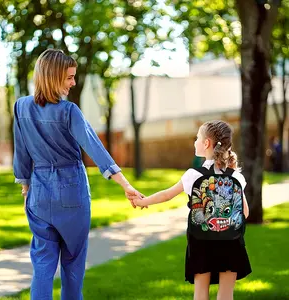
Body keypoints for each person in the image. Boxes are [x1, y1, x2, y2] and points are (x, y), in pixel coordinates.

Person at [13, 48, 142, 300]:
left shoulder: (21, 107)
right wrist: (125, 184)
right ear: (53, 77)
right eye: (69, 77)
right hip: (72, 192)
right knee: (72, 264)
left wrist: (26, 189)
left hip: (38, 194)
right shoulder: (68, 111)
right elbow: (95, 148)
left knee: (42, 265)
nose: (73, 83)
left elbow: (21, 153)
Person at [133, 120, 251, 300]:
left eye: (197, 138)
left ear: (206, 144)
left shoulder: (193, 175)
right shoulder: (236, 176)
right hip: (231, 242)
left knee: (200, 294)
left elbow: (166, 195)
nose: (195, 142)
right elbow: (245, 212)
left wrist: (143, 202)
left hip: (201, 243)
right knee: (226, 294)